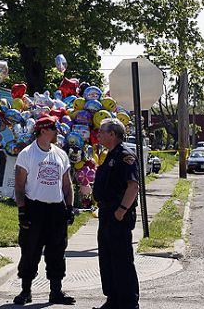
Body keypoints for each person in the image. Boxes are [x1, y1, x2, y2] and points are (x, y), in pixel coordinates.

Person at [13, 114, 76, 305]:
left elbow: (67, 184)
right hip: (35, 208)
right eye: (54, 128)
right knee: (30, 250)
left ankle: (56, 291)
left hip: (56, 209)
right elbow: (19, 186)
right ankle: (25, 291)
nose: (57, 132)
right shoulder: (27, 154)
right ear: (43, 130)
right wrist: (22, 210)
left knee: (57, 250)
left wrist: (70, 207)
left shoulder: (60, 154)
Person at [92, 118, 140, 309]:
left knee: (122, 260)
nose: (99, 134)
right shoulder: (109, 155)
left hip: (118, 215)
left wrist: (121, 210)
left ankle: (128, 302)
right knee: (107, 258)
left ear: (112, 134)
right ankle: (113, 299)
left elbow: (133, 185)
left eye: (102, 131)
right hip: (106, 214)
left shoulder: (125, 156)